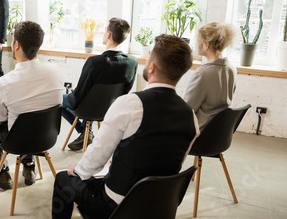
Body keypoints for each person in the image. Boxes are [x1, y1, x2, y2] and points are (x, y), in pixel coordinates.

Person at [52, 34, 200, 219]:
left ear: (152, 67)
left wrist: (78, 169)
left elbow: (96, 158)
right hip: (160, 206)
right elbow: (166, 161)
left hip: (118, 205)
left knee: (63, 179)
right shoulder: (190, 117)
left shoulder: (130, 104)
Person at [0, 21, 62, 190]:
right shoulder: (55, 72)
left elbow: (0, 118)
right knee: (29, 115)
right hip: (48, 137)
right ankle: (29, 167)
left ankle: (1, 173)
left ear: (16, 45)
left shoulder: (4, 83)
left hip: (16, 142)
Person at [62, 18, 138, 151]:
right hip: (111, 109)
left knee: (56, 99)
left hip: (86, 108)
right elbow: (125, 91)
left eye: (104, 32)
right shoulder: (132, 62)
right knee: (93, 97)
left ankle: (84, 131)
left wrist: (73, 92)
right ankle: (86, 132)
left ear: (108, 35)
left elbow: (79, 96)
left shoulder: (94, 62)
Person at [184, 22, 237, 129]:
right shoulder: (231, 68)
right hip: (219, 131)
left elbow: (187, 110)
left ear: (206, 44)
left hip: (200, 131)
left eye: (198, 40)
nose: (196, 43)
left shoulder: (202, 73)